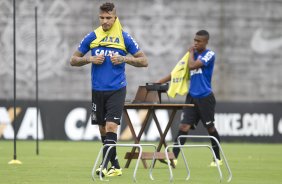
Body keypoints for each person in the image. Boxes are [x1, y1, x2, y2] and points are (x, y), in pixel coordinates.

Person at [70, 2, 148, 177]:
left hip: (117, 89)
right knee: (103, 129)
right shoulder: (92, 37)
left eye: (108, 18)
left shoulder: (124, 37)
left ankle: (104, 166)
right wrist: (89, 59)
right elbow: (73, 60)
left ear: (115, 18)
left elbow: (144, 61)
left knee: (111, 125)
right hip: (97, 90)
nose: (105, 21)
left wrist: (124, 59)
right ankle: (116, 166)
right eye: (102, 18)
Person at [158, 30, 222, 167]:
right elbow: (177, 72)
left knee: (210, 128)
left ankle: (217, 158)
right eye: (195, 40)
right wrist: (159, 82)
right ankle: (173, 157)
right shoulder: (191, 56)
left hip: (205, 97)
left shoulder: (209, 54)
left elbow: (192, 65)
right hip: (192, 97)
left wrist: (191, 53)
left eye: (199, 41)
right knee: (183, 126)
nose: (195, 43)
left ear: (206, 42)